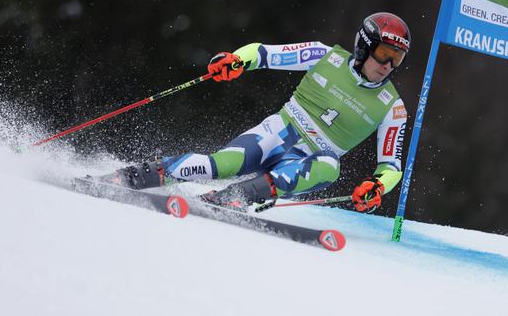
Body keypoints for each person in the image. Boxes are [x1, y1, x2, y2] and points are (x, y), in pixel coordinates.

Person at [108, 12, 410, 214]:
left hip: (308, 160)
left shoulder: (392, 108)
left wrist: (377, 186)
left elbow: (392, 165)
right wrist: (237, 60)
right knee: (219, 164)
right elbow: (264, 53)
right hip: (277, 133)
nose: (388, 65)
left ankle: (234, 197)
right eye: (385, 53)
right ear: (364, 47)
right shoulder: (324, 55)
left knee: (331, 166)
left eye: (397, 59)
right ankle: (130, 177)